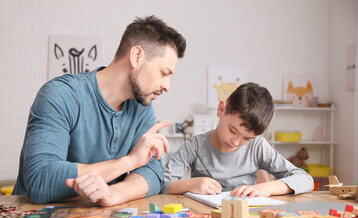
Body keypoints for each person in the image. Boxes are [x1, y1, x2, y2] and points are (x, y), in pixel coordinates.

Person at [12, 16, 186, 206]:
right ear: (137, 56)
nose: (167, 86)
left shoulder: (141, 108)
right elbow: (40, 180)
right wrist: (128, 162)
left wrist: (114, 194)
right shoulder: (60, 95)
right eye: (164, 73)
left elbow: (153, 172)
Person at [161, 82, 314, 197]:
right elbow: (162, 184)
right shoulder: (194, 145)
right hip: (204, 216)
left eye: (246, 138)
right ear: (221, 110)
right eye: (232, 130)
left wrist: (266, 188)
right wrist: (189, 184)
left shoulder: (257, 146)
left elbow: (305, 179)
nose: (235, 142)